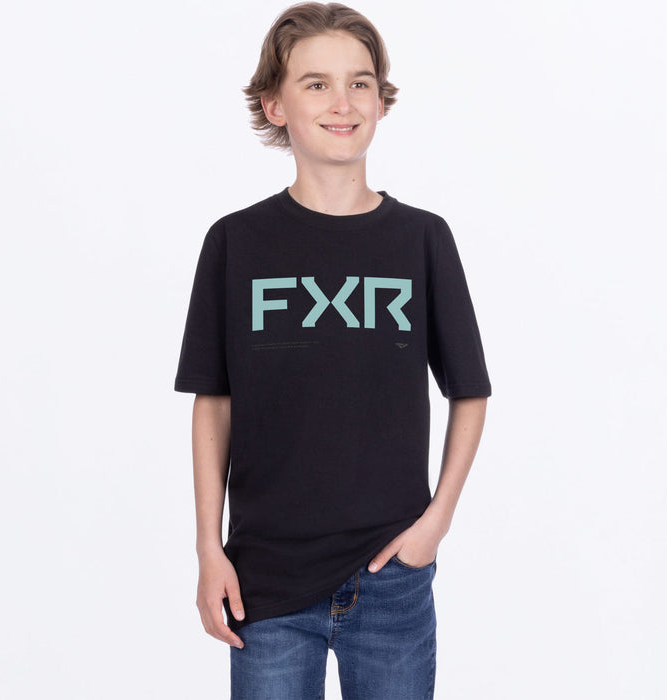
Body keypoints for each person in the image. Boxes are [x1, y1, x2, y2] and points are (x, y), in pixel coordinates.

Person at [173, 2, 492, 698]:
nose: (341, 102)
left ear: (380, 100)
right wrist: (208, 548)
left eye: (359, 83)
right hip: (265, 582)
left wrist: (434, 526)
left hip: (392, 578)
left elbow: (470, 392)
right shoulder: (236, 242)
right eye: (316, 84)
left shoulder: (422, 239)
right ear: (275, 105)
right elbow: (213, 402)